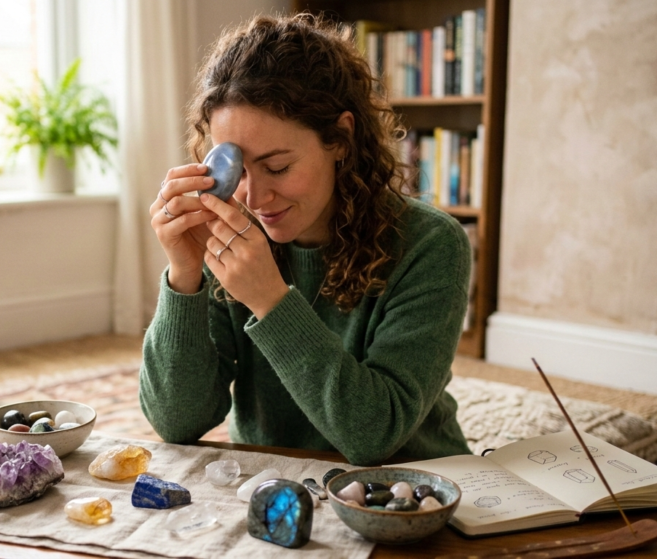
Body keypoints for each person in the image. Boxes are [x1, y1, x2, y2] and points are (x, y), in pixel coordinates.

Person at [140, 13, 472, 466]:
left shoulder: (432, 245)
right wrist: (184, 275)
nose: (254, 197)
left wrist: (270, 300)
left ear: (340, 138)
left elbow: (374, 436)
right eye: (235, 169)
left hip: (408, 488)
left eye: (277, 167)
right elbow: (177, 422)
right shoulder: (231, 238)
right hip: (270, 484)